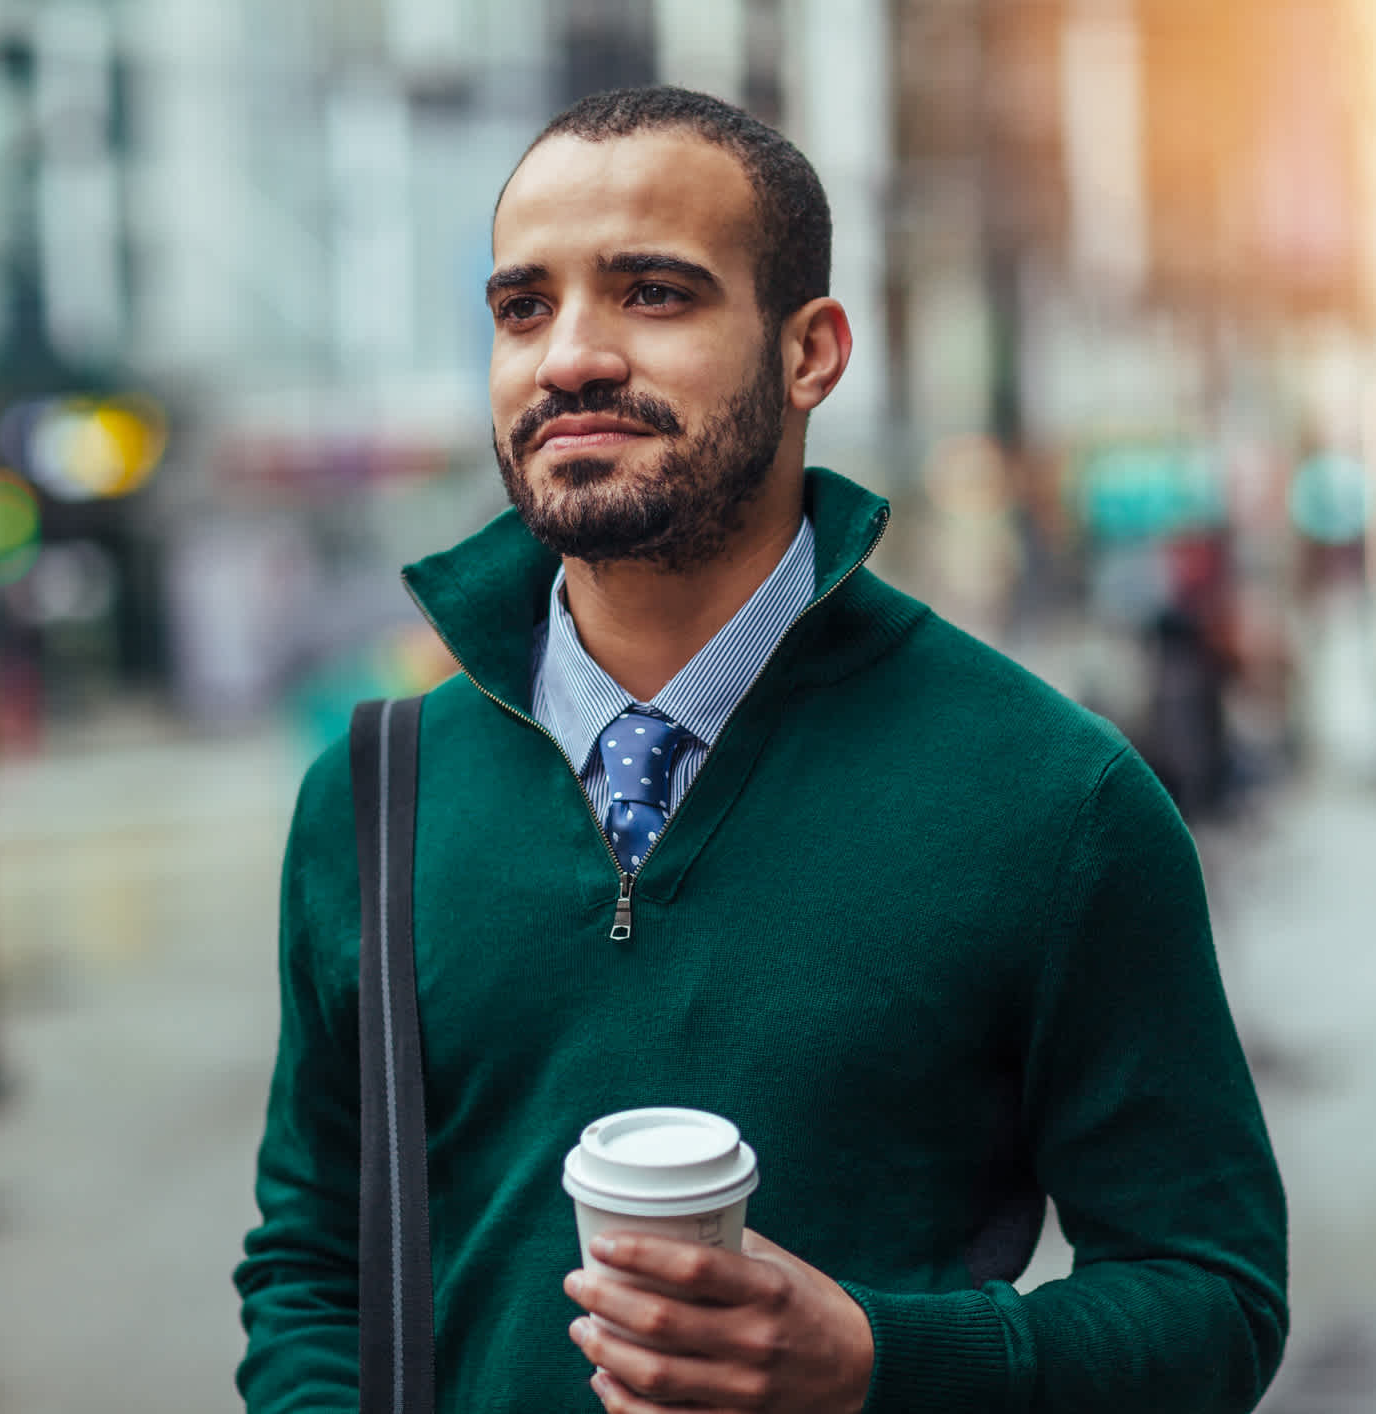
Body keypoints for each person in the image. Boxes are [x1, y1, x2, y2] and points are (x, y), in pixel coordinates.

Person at [233, 87, 1287, 1413]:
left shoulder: (1054, 797)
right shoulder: (372, 793)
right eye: (522, 307)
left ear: (811, 353)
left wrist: (877, 1362)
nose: (568, 356)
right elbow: (316, 1263)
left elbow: (1214, 1295)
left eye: (652, 292)